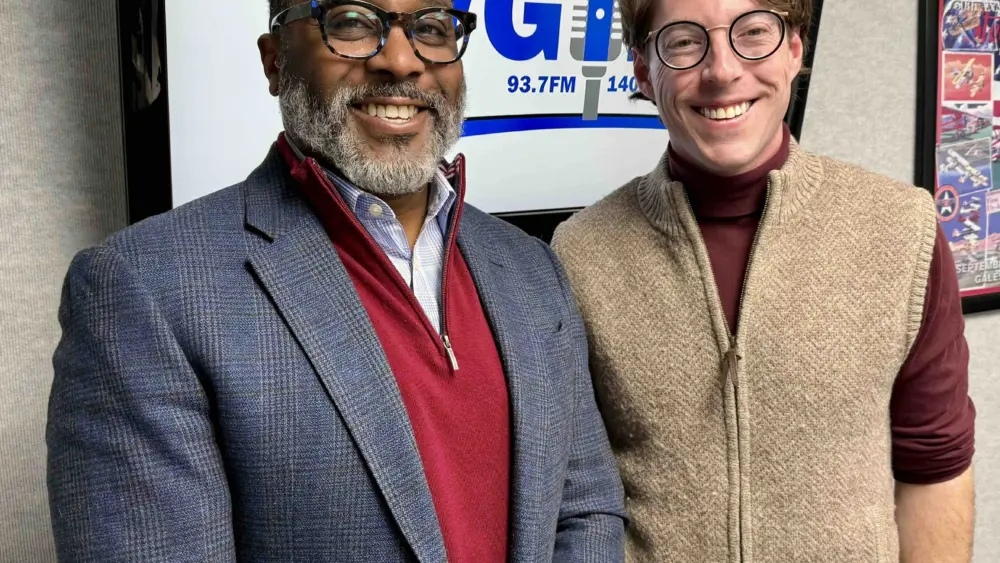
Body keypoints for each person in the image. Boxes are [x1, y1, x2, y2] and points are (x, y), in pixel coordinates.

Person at [45, 1, 626, 561]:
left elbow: (586, 509)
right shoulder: (145, 289)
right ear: (275, 60)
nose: (401, 60)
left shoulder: (532, 268)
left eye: (432, 26)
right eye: (351, 21)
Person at [551, 0, 976, 562]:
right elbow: (573, 497)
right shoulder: (578, 252)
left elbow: (936, 466)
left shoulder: (900, 228)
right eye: (682, 41)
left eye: (754, 32)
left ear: (795, 50)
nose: (723, 70)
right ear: (641, 70)